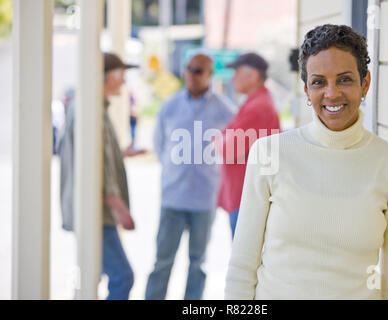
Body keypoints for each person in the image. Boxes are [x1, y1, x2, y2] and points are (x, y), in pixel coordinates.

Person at [225, 24, 388, 300]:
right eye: (319, 82)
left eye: (345, 79)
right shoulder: (269, 153)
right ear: (306, 89)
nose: (332, 93)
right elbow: (242, 266)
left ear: (365, 83)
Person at [145, 53, 235, 300]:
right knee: (162, 262)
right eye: (189, 69)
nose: (192, 75)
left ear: (209, 75)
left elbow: (236, 142)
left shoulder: (224, 108)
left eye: (198, 71)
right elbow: (160, 144)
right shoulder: (170, 105)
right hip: (173, 198)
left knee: (199, 264)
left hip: (204, 199)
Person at [59, 52, 145, 300]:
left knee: (91, 277)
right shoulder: (90, 109)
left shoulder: (90, 106)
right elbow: (98, 164)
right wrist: (118, 206)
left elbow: (95, 155)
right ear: (110, 76)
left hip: (93, 212)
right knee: (122, 277)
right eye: (122, 75)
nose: (124, 82)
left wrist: (122, 153)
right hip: (96, 214)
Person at [215, 53, 280, 239]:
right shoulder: (255, 102)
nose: (233, 77)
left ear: (252, 75)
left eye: (236, 72)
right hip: (245, 196)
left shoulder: (257, 107)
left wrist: (220, 140)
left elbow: (227, 150)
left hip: (248, 199)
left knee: (245, 263)